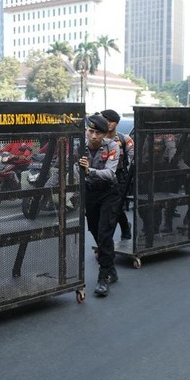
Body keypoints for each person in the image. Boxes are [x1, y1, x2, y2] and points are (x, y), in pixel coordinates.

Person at [79, 114, 120, 297]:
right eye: (91, 131)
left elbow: (110, 173)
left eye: (98, 133)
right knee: (95, 230)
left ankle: (103, 277)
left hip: (108, 193)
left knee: (104, 233)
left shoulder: (112, 147)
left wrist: (89, 171)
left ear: (104, 134)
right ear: (86, 130)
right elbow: (71, 168)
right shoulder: (78, 147)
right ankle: (111, 267)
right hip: (90, 192)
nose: (93, 136)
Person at [101, 109, 134, 240]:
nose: (108, 123)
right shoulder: (97, 138)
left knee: (115, 206)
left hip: (119, 177)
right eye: (105, 120)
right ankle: (125, 226)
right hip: (100, 177)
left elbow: (134, 157)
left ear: (116, 123)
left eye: (111, 121)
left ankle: (110, 237)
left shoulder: (124, 139)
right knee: (108, 208)